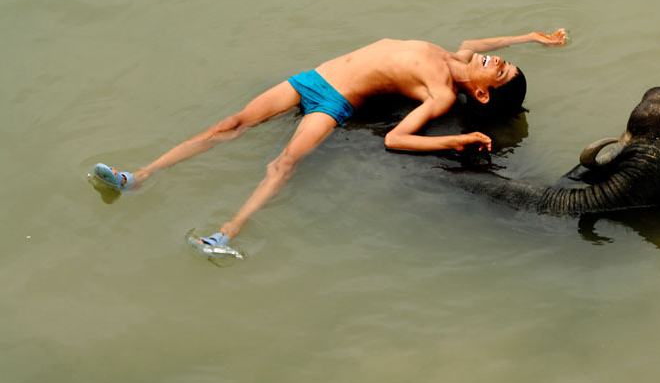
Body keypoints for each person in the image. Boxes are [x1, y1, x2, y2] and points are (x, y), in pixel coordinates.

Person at [90, 28, 568, 254]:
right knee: (228, 125)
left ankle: (227, 232)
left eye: (502, 72)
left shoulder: (441, 94)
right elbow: (479, 41)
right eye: (502, 63)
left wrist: (458, 138)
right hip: (310, 79)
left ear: (482, 91)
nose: (497, 63)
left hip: (333, 103)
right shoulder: (454, 55)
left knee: (283, 164)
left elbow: (397, 140)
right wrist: (534, 38)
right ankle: (138, 176)